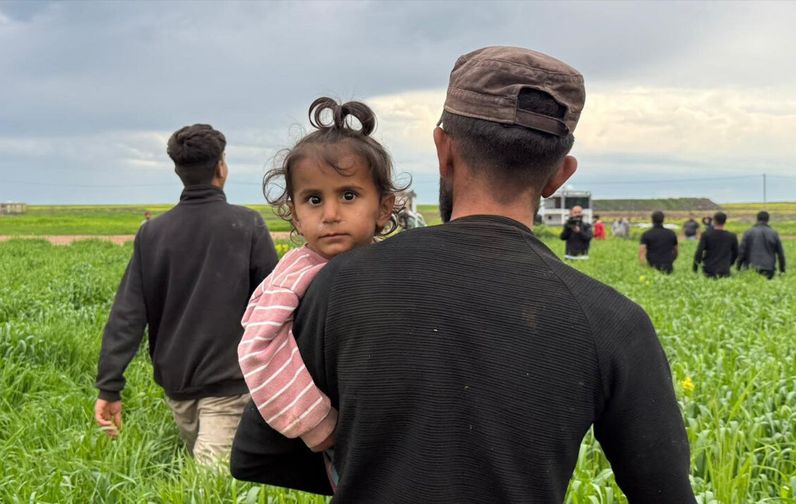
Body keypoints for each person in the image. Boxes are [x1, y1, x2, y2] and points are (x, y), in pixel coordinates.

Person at [231, 46, 694, 502]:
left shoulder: (335, 283)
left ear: (443, 150)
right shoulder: (614, 321)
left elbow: (256, 455)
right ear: (560, 176)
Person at [94, 124, 278, 466]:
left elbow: (127, 315)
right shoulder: (247, 224)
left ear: (178, 172)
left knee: (208, 481)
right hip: (230, 379)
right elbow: (276, 306)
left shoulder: (153, 233)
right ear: (221, 168)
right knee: (212, 482)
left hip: (182, 385)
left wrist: (109, 386)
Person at [237, 98, 401, 471]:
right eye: (314, 199)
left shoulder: (389, 264)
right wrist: (317, 424)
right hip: (339, 437)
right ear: (295, 215)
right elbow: (258, 349)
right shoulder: (296, 274)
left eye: (348, 195)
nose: (330, 214)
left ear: (383, 207)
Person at [737, 211, 786, 279]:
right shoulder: (774, 233)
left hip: (751, 267)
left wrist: (738, 266)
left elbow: (742, 251)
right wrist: (782, 270)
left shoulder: (748, 232)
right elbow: (780, 254)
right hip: (768, 268)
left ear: (757, 219)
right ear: (768, 220)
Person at [693, 211, 738, 278]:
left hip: (709, 269)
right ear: (725, 222)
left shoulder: (706, 234)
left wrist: (695, 268)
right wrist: (730, 263)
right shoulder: (732, 236)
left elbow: (699, 252)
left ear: (714, 221)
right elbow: (736, 253)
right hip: (724, 269)